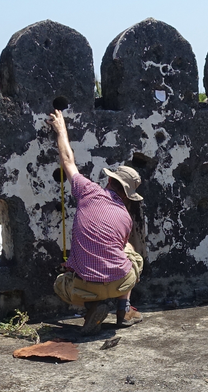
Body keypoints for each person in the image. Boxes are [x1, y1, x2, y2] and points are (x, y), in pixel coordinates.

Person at [47, 109, 144, 335]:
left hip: (84, 289)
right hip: (120, 282)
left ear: (110, 179)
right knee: (131, 253)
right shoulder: (125, 217)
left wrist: (61, 129)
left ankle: (92, 308)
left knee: (61, 283)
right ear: (129, 195)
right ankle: (124, 309)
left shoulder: (88, 191)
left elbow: (67, 160)